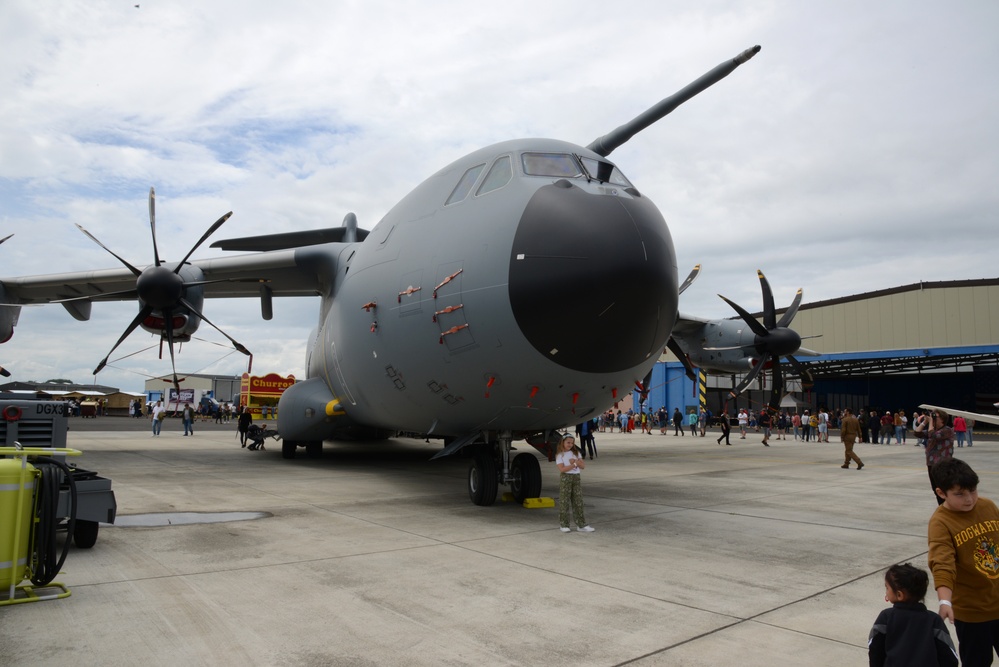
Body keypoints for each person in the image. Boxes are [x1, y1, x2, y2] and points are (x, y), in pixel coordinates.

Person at [928, 458, 999, 666]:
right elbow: (942, 562)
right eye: (959, 494)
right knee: (978, 661)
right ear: (941, 493)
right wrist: (945, 601)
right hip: (972, 613)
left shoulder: (987, 506)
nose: (969, 499)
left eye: (973, 491)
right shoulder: (941, 522)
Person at [867, 562, 958, 667]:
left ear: (899, 595)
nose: (886, 592)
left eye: (887, 588)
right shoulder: (933, 620)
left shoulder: (886, 617)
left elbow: (875, 649)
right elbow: (949, 655)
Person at [555, 434, 594, 533]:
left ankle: (581, 524)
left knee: (578, 501)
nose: (570, 445)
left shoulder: (576, 453)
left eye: (572, 443)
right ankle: (564, 524)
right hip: (566, 478)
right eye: (568, 442)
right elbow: (562, 469)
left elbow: (583, 466)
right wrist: (575, 464)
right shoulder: (560, 455)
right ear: (563, 442)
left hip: (576, 477)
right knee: (564, 501)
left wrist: (576, 461)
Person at [925, 411, 955, 506]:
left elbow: (932, 435)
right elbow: (917, 433)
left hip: (942, 464)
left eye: (935, 416)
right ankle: (943, 508)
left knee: (944, 489)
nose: (933, 418)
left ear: (942, 419)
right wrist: (924, 422)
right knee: (936, 489)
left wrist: (930, 422)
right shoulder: (935, 430)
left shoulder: (947, 430)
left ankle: (948, 508)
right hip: (931, 464)